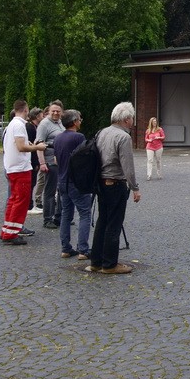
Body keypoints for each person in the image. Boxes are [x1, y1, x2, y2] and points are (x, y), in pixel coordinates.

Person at [87, 102, 141, 274]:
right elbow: (128, 166)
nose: (133, 121)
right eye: (132, 118)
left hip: (101, 183)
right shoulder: (123, 137)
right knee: (114, 224)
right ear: (126, 119)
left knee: (102, 222)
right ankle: (110, 264)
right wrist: (135, 188)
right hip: (115, 184)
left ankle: (95, 261)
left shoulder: (101, 132)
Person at [1, 100, 48, 245]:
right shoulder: (20, 125)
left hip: (12, 167)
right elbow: (21, 147)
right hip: (20, 168)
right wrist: (38, 147)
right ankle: (12, 233)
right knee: (21, 201)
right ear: (26, 110)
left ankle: (7, 230)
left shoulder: (11, 125)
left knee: (13, 200)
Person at [55, 109, 93, 260]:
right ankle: (83, 249)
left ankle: (65, 248)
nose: (80, 121)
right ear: (74, 121)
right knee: (85, 214)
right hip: (76, 182)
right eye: (79, 119)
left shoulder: (58, 138)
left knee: (66, 214)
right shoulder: (78, 137)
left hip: (62, 180)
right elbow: (84, 159)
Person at [36, 100, 65, 230]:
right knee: (50, 191)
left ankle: (59, 216)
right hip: (50, 162)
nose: (55, 113)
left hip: (60, 162)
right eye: (53, 111)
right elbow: (39, 144)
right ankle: (47, 219)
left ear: (61, 113)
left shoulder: (60, 123)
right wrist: (42, 163)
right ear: (48, 111)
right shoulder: (44, 124)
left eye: (58, 111)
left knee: (61, 190)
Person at [26, 107, 44, 214]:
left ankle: (30, 204)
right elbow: (31, 146)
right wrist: (36, 162)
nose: (43, 117)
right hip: (31, 160)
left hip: (33, 160)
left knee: (33, 182)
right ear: (37, 116)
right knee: (31, 182)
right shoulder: (30, 128)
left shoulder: (34, 127)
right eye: (42, 115)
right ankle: (29, 205)